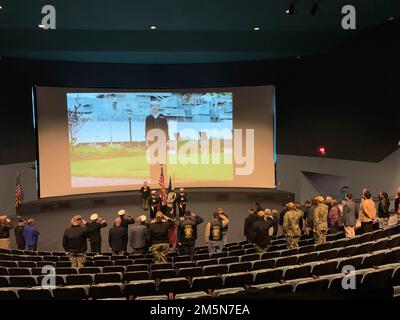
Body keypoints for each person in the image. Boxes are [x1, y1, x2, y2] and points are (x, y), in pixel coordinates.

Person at [145, 104, 169, 183]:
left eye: (156, 107)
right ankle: (153, 176)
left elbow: (166, 129)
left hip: (162, 141)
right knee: (153, 160)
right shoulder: (148, 118)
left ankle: (163, 175)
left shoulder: (163, 117)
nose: (155, 109)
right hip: (152, 141)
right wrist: (147, 141)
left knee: (163, 159)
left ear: (158, 108)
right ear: (151, 108)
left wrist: (167, 140)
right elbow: (147, 129)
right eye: (153, 107)